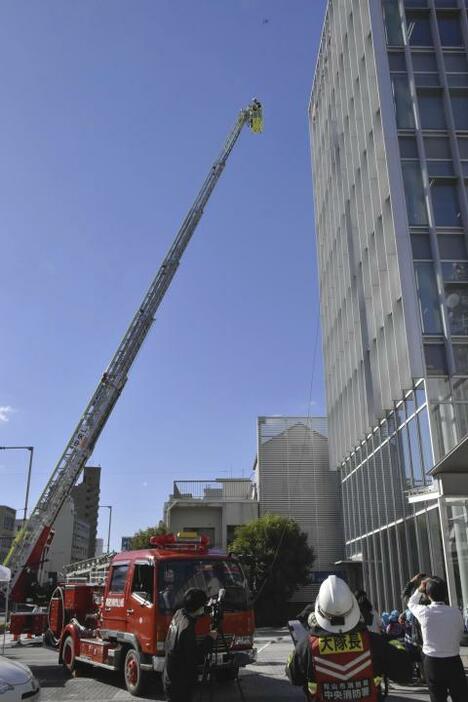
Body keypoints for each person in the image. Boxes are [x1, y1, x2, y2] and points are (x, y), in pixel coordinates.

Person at [286, 575, 412, 701]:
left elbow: (293, 676)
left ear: (318, 611)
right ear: (354, 608)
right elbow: (404, 673)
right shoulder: (374, 642)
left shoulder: (306, 646)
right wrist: (395, 644)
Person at [407, 575, 468, 702]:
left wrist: (419, 589)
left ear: (428, 594)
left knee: (437, 698)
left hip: (432, 662)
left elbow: (410, 603)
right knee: (461, 697)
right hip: (453, 661)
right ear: (445, 594)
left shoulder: (424, 612)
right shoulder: (456, 613)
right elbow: (460, 632)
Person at [162, 588, 216, 702]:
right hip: (180, 684)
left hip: (170, 676)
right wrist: (210, 637)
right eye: (203, 605)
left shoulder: (179, 614)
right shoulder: (187, 630)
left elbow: (193, 615)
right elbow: (195, 656)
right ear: (198, 607)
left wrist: (205, 609)